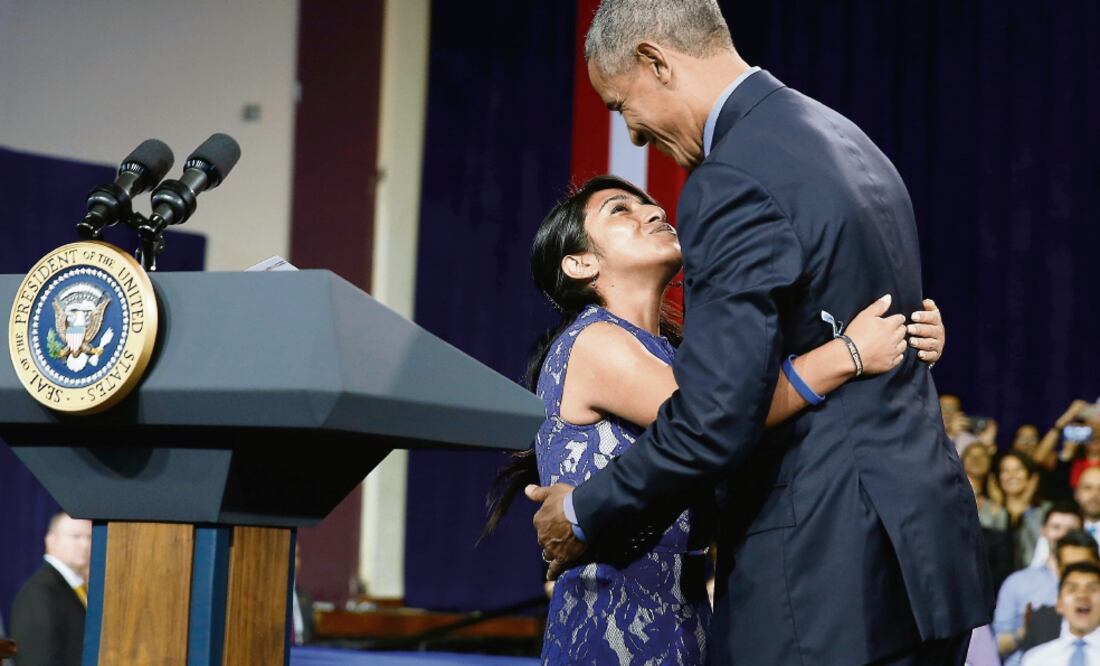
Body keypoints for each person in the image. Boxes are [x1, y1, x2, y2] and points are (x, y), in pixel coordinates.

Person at [526, 1, 992, 664]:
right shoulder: (847, 139)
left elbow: (715, 417)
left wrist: (580, 513)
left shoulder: (733, 177)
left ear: (656, 61)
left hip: (825, 570)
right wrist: (850, 354)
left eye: (620, 104)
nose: (631, 134)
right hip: (922, 552)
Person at [493, 175, 945, 664]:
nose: (653, 212)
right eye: (620, 210)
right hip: (612, 627)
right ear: (579, 263)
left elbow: (760, 419)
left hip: (687, 620)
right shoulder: (592, 342)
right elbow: (715, 417)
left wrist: (908, 343)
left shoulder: (677, 355)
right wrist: (851, 353)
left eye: (650, 205)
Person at [993, 504, 1084, 666]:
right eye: (1056, 527)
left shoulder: (1094, 586)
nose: (1062, 535)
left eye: (1070, 530)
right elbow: (995, 646)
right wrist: (1025, 632)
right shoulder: (1017, 582)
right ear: (1043, 530)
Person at [9, 513, 91, 666]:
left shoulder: (77, 587)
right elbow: (37, 659)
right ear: (51, 541)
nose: (85, 544)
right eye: (76, 536)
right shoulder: (39, 593)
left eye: (90, 537)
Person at [1016, 530, 1100, 654]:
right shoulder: (1041, 621)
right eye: (1069, 569)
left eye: (1084, 567)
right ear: (1058, 569)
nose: (1077, 576)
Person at [1019, 562, 1100, 665]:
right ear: (1059, 604)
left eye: (1092, 589)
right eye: (1072, 589)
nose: (1082, 595)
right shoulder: (1035, 659)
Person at [996, 452, 1048, 570]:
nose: (1012, 475)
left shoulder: (1046, 511)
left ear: (1031, 476)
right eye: (1005, 470)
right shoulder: (988, 512)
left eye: (1018, 469)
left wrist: (1024, 507)